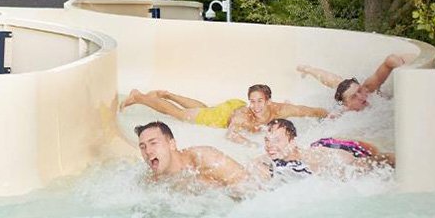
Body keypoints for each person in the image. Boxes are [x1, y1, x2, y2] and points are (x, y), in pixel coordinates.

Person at [121, 84, 327, 146]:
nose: (255, 106)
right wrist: (251, 145)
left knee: (203, 108)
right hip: (222, 116)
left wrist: (329, 114)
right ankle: (140, 97)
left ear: (269, 101)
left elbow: (305, 110)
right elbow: (231, 134)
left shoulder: (280, 109)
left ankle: (169, 93)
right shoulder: (244, 116)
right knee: (178, 114)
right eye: (252, 101)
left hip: (228, 107)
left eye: (259, 102)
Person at [250, 118, 395, 183]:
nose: (270, 145)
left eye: (276, 140)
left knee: (381, 159)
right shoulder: (277, 154)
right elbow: (256, 162)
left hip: (345, 149)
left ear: (292, 142)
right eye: (267, 140)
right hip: (321, 145)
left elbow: (352, 169)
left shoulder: (316, 158)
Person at [135, 120, 249, 188]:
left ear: (172, 144)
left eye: (153, 143)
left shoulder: (203, 158)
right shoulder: (150, 181)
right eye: (142, 147)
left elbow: (249, 186)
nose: (148, 151)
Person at [297, 53, 414, 112]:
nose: (362, 96)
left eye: (359, 91)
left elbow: (390, 59)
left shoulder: (368, 89)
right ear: (346, 105)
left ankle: (308, 69)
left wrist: (406, 71)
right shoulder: (344, 112)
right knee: (338, 84)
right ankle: (308, 69)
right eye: (354, 97)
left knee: (339, 83)